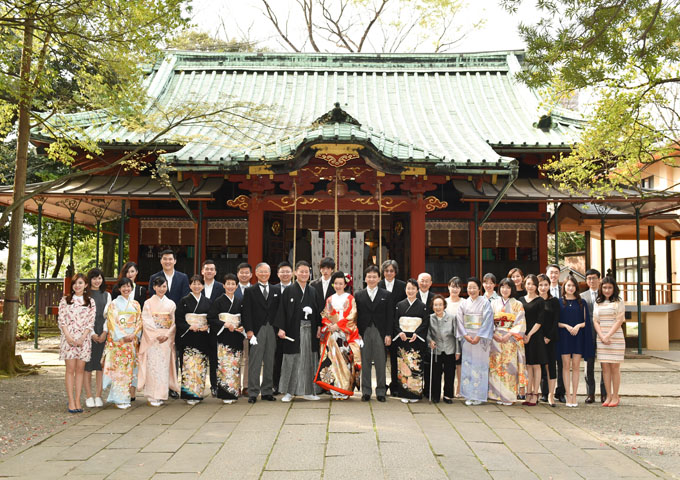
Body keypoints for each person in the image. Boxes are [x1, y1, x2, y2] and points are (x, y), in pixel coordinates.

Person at [275, 260, 322, 402]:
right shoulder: (289, 290)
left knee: (308, 359)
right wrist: (281, 328)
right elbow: (282, 310)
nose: (303, 274)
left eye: (306, 272)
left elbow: (319, 311)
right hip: (293, 331)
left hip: (309, 330)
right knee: (292, 360)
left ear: (310, 273)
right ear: (295, 273)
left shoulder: (313, 291)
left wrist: (319, 327)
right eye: (301, 271)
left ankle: (309, 391)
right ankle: (289, 392)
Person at [315, 271, 362, 399]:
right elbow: (324, 315)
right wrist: (330, 325)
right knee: (334, 361)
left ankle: (345, 388)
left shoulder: (350, 298)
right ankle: (335, 388)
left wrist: (339, 326)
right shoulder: (330, 299)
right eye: (336, 283)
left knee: (346, 362)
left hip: (345, 334)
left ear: (345, 284)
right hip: (333, 334)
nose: (338, 286)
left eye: (341, 283)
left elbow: (352, 316)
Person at [242, 262, 282, 403]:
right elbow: (246, 312)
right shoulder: (250, 291)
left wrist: (278, 328)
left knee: (270, 360)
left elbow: (279, 311)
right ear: (256, 274)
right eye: (261, 272)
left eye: (266, 272)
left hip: (271, 328)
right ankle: (253, 392)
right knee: (255, 361)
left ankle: (267, 391)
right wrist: (249, 330)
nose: (264, 274)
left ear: (270, 273)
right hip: (257, 330)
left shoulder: (276, 290)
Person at [355, 265, 393, 402]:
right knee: (364, 362)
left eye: (374, 276)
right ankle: (366, 391)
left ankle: (381, 391)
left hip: (380, 331)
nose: (371, 279)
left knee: (380, 362)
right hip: (364, 331)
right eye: (369, 276)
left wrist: (388, 334)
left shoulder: (386, 295)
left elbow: (390, 316)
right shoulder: (358, 295)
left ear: (379, 278)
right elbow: (355, 316)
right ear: (365, 278)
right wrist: (357, 333)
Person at [58, 273, 96, 413]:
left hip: (84, 340)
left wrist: (82, 337)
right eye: (75, 283)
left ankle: (78, 399)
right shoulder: (65, 300)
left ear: (86, 285)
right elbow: (62, 320)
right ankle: (71, 400)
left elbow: (90, 322)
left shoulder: (90, 302)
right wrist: (68, 336)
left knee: (80, 370)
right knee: (70, 370)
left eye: (80, 283)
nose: (77, 286)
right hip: (68, 339)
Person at [102, 277, 142, 409]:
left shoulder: (136, 304)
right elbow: (112, 322)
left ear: (132, 288)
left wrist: (133, 334)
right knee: (119, 370)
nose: (126, 289)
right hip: (119, 342)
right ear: (119, 289)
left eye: (129, 286)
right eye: (123, 287)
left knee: (129, 370)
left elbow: (139, 321)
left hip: (131, 341)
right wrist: (123, 336)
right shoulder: (113, 304)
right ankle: (119, 398)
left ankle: (126, 397)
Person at [138, 276, 178, 406]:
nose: (162, 289)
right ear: (154, 287)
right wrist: (156, 335)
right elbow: (147, 321)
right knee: (152, 366)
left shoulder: (171, 304)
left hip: (165, 339)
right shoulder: (148, 303)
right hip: (153, 340)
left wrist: (167, 334)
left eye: (164, 286)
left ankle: (161, 394)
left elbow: (173, 323)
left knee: (163, 367)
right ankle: (151, 394)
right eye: (159, 286)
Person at [456, 277, 494, 406]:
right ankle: (468, 394)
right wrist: (465, 335)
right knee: (467, 365)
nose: (471, 290)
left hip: (480, 338)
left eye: (474, 287)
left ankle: (479, 395)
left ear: (479, 288)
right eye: (469, 288)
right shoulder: (463, 303)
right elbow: (459, 320)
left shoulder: (485, 302)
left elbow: (488, 321)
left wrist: (479, 336)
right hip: (467, 338)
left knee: (480, 366)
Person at [558, 275, 594, 408]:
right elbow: (556, 321)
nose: (570, 288)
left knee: (576, 367)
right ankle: (568, 395)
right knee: (566, 366)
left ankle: (574, 395)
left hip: (578, 336)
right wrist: (566, 326)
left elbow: (586, 322)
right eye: (568, 285)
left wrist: (578, 326)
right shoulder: (559, 302)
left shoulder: (582, 302)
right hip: (564, 336)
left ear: (576, 287)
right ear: (564, 287)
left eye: (573, 286)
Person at [489, 278, 526, 405]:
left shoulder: (518, 304)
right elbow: (489, 321)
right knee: (496, 366)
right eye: (503, 287)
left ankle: (509, 396)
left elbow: (520, 323)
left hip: (510, 339)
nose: (505, 290)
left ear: (512, 289)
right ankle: (497, 395)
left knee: (510, 367)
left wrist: (509, 334)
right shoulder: (493, 303)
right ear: (499, 289)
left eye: (508, 287)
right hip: (496, 338)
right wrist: (494, 333)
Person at [207, 273, 244, 403]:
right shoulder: (218, 301)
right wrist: (224, 324)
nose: (230, 286)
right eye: (228, 284)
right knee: (224, 365)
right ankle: (225, 394)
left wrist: (241, 327)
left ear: (237, 286)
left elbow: (243, 319)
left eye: (233, 284)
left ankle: (234, 391)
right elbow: (211, 318)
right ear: (223, 285)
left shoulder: (239, 301)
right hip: (223, 337)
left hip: (236, 337)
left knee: (235, 365)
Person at [175, 275, 212, 404]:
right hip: (188, 337)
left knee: (200, 366)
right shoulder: (184, 301)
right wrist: (189, 326)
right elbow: (179, 319)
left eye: (199, 284)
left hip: (202, 337)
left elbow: (211, 318)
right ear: (190, 286)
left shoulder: (207, 301)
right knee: (188, 367)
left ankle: (198, 393)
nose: (196, 286)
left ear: (203, 286)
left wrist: (207, 326)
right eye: (194, 284)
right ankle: (189, 394)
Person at [393, 278, 429, 403]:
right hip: (403, 340)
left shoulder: (423, 306)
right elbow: (395, 321)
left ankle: (414, 393)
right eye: (408, 288)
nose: (410, 291)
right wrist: (400, 332)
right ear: (405, 289)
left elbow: (425, 323)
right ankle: (404, 392)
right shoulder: (400, 305)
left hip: (416, 340)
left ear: (417, 290)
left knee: (416, 367)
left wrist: (417, 334)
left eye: (413, 288)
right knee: (403, 366)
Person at [593, 276, 625, 407]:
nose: (607, 290)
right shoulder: (598, 302)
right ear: (601, 288)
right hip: (601, 338)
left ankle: (616, 396)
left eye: (610, 287)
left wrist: (608, 336)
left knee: (614, 367)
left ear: (614, 288)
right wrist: (602, 336)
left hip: (615, 338)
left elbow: (619, 320)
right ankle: (608, 396)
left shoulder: (619, 301)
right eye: (605, 287)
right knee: (604, 368)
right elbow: (595, 320)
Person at [84, 268, 111, 409]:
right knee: (87, 367)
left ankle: (99, 395)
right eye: (94, 278)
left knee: (100, 366)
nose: (97, 281)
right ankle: (89, 396)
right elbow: (84, 317)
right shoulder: (84, 295)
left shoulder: (107, 295)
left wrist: (105, 332)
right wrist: (92, 333)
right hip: (88, 334)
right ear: (89, 280)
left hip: (103, 332)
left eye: (99, 278)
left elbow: (109, 316)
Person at [379, 259, 406, 396]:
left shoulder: (402, 286)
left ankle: (395, 385)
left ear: (395, 272)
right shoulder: (378, 285)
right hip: (381, 326)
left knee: (396, 358)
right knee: (380, 357)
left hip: (397, 327)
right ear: (383, 272)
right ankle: (381, 385)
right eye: (386, 271)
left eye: (391, 271)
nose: (389, 273)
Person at [520, 274, 548, 406]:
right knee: (527, 365)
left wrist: (529, 334)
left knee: (536, 365)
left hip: (535, 336)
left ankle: (535, 393)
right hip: (523, 336)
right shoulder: (520, 300)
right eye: (527, 283)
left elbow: (540, 321)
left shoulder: (540, 301)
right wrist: (522, 334)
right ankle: (528, 392)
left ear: (536, 286)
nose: (530, 286)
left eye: (532, 284)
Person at [427, 295, 461, 404]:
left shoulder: (452, 318)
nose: (438, 307)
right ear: (432, 306)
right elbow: (427, 333)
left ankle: (447, 395)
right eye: (436, 305)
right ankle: (436, 395)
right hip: (436, 349)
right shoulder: (430, 318)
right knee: (436, 373)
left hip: (449, 349)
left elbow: (456, 335)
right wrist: (430, 341)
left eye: (440, 305)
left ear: (444, 306)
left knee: (450, 373)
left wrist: (457, 351)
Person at [581, 268, 607, 404]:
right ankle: (590, 393)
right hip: (587, 334)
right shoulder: (582, 296)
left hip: (603, 333)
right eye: (589, 278)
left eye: (594, 278)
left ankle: (604, 393)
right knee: (588, 365)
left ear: (599, 279)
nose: (591, 281)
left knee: (605, 365)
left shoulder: (605, 294)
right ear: (586, 280)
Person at [544, 264, 566, 403]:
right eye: (551, 273)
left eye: (556, 273)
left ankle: (561, 391)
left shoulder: (564, 290)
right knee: (546, 362)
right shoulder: (542, 290)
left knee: (561, 364)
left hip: (562, 331)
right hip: (547, 333)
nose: (553, 275)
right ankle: (545, 392)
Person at [537, 274, 559, 407]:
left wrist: (549, 337)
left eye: (546, 285)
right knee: (536, 367)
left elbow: (556, 320)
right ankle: (536, 392)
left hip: (550, 339)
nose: (543, 287)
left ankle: (551, 394)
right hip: (536, 338)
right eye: (540, 285)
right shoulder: (534, 300)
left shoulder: (554, 301)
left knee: (550, 366)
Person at [273, 261, 294, 395]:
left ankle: (291, 385)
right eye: (282, 272)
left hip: (293, 329)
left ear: (292, 273)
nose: (285, 274)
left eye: (287, 271)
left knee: (292, 358)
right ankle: (276, 385)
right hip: (276, 329)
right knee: (277, 357)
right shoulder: (273, 289)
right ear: (278, 274)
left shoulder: (297, 288)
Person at [234, 262, 252, 396]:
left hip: (249, 330)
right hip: (234, 330)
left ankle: (246, 385)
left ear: (251, 275)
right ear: (237, 274)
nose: (244, 275)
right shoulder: (232, 288)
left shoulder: (255, 289)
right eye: (242, 272)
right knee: (235, 358)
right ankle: (235, 384)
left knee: (247, 358)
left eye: (247, 273)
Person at [445, 276, 464, 397]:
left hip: (462, 336)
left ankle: (460, 387)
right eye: (452, 286)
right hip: (448, 338)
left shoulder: (464, 302)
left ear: (461, 289)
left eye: (457, 287)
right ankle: (448, 388)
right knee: (449, 364)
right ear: (448, 287)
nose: (454, 289)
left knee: (460, 364)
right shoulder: (444, 302)